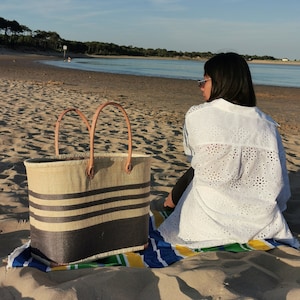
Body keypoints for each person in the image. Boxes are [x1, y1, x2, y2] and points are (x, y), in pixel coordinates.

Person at [158, 52, 299, 249]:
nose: (201, 86)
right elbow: (281, 187)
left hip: (203, 224)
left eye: (204, 81)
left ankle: (172, 203)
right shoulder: (267, 125)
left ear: (219, 82)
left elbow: (195, 162)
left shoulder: (197, 115)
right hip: (261, 225)